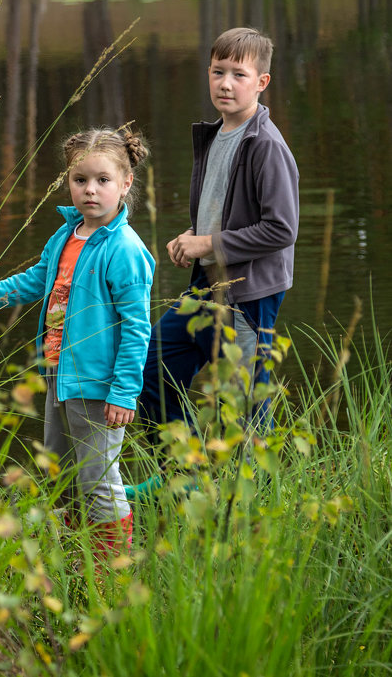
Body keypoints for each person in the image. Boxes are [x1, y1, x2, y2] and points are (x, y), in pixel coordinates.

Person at [0, 127, 155, 560]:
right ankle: (77, 561)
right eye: (80, 180)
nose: (90, 190)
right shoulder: (68, 235)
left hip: (98, 385)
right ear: (68, 181)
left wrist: (124, 391)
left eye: (103, 180)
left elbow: (137, 328)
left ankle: (113, 573)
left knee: (98, 479)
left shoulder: (125, 250)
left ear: (126, 183)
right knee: (60, 471)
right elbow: (33, 281)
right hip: (59, 374)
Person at [130, 27, 299, 498]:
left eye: (238, 74)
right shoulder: (217, 135)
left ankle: (257, 501)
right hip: (207, 285)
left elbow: (281, 230)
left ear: (261, 82)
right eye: (218, 72)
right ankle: (183, 477)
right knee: (153, 366)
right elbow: (219, 211)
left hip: (249, 294)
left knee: (245, 401)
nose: (226, 83)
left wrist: (208, 243)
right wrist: (193, 239)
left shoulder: (266, 146)